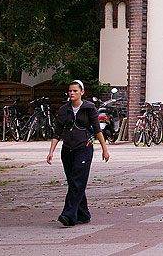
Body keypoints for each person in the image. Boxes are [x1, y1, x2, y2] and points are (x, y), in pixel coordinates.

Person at [47, 80, 111, 226]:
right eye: (70, 91)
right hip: (68, 149)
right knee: (74, 182)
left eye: (75, 91)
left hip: (84, 147)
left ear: (82, 92)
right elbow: (57, 132)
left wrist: (104, 149)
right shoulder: (64, 110)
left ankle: (68, 215)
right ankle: (83, 214)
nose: (72, 93)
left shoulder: (89, 108)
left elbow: (97, 130)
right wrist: (51, 151)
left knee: (77, 181)